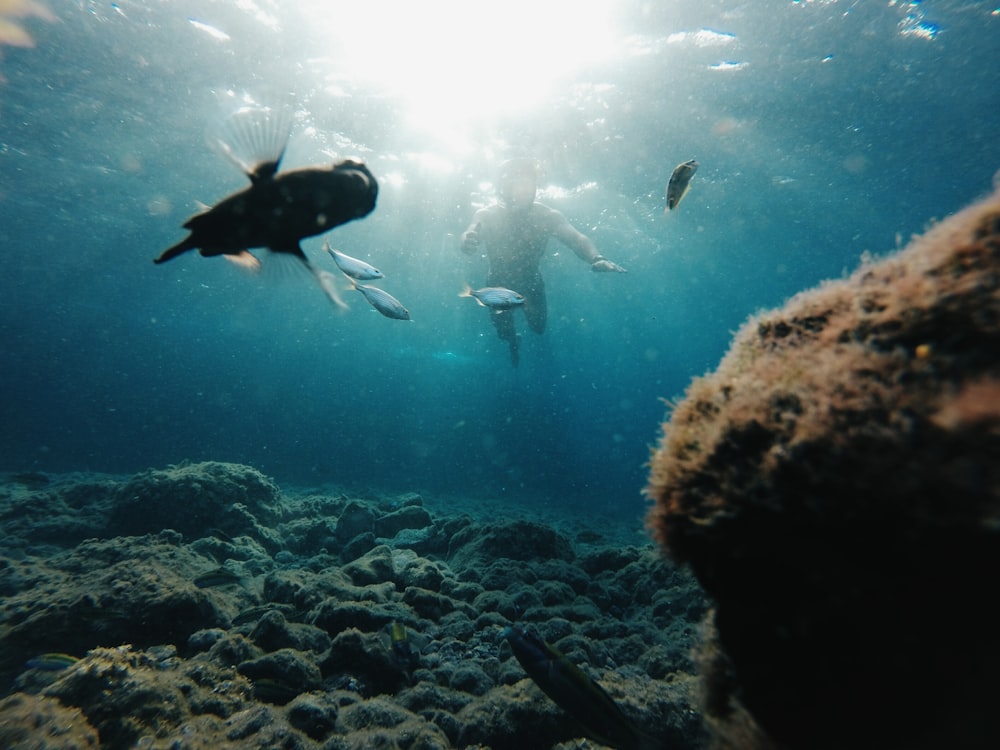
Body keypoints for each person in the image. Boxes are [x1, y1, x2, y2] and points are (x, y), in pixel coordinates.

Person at [460, 158, 625, 366]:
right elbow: (472, 230)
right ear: (503, 188)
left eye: (528, 186)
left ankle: (514, 339)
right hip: (497, 283)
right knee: (504, 333)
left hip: (532, 283)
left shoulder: (546, 216)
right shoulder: (489, 214)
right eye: (518, 186)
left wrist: (596, 257)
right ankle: (513, 341)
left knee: (538, 328)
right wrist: (468, 240)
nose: (524, 192)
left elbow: (576, 239)